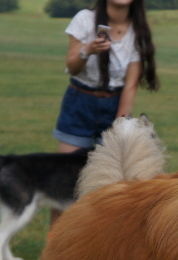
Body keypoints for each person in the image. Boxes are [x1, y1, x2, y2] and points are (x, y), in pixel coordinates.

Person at [54, 0, 159, 154]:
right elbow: (72, 68)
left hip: (116, 105)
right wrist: (87, 50)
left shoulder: (138, 29)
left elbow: (131, 85)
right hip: (80, 103)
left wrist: (120, 123)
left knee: (114, 173)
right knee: (70, 172)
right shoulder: (84, 19)